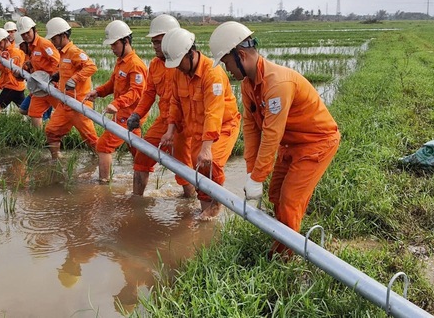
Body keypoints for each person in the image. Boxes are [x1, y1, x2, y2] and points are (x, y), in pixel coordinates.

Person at [209, 21, 341, 258]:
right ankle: (285, 237)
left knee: (289, 199)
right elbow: (251, 129)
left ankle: (284, 256)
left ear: (240, 55)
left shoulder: (277, 83)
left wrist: (258, 176)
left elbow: (271, 134)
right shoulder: (249, 85)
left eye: (227, 63)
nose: (227, 69)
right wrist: (252, 173)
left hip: (316, 142)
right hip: (291, 143)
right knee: (275, 194)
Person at [160, 28, 241, 220]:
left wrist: (207, 148)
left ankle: (216, 204)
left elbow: (214, 112)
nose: (177, 67)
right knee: (199, 169)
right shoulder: (179, 72)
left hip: (222, 127)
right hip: (196, 128)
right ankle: (206, 213)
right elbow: (175, 102)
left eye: (179, 63)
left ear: (190, 53)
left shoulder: (213, 74)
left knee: (212, 165)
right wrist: (170, 130)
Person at [126, 15, 195, 197]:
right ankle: (136, 201)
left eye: (158, 42)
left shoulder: (183, 64)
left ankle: (191, 204)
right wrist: (137, 115)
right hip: (162, 121)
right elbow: (148, 93)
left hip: (182, 125)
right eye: (154, 42)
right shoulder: (155, 65)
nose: (155, 46)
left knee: (183, 167)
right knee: (142, 156)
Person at [85, 20, 147, 183]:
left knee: (103, 146)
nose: (112, 49)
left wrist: (116, 104)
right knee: (139, 155)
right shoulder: (121, 63)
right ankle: (144, 180)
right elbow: (112, 84)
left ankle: (103, 184)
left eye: (114, 45)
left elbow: (136, 92)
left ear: (125, 41)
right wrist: (97, 92)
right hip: (124, 117)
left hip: (129, 118)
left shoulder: (135, 65)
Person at [43, 17, 99, 159]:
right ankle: (57, 160)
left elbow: (91, 67)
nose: (53, 43)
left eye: (54, 39)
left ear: (63, 36)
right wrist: (58, 75)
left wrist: (74, 79)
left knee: (92, 140)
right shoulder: (62, 53)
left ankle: (101, 162)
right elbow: (68, 70)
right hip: (65, 103)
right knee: (51, 131)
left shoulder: (74, 52)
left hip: (79, 105)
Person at [16, 16, 60, 128]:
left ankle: (59, 134)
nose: (25, 36)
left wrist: (54, 79)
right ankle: (38, 139)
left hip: (51, 86)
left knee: (64, 112)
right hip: (39, 87)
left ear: (34, 30)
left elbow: (57, 62)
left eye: (27, 32)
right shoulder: (31, 47)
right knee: (34, 114)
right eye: (23, 34)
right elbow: (38, 62)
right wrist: (29, 65)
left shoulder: (44, 44)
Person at [0, 27, 26, 114]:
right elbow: (2, 66)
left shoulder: (14, 53)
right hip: (17, 86)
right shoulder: (7, 51)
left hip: (12, 86)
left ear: (5, 40)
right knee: (25, 110)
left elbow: (5, 69)